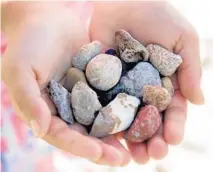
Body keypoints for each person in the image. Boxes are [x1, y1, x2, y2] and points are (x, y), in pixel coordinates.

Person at [1, 1, 204, 167]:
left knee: (44, 132)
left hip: (64, 35)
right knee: (32, 131)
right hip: (25, 50)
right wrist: (21, 13)